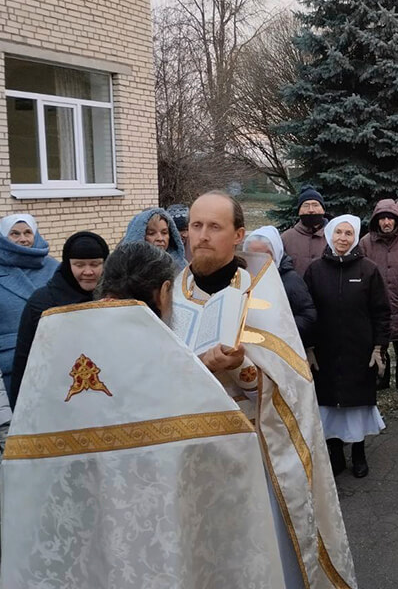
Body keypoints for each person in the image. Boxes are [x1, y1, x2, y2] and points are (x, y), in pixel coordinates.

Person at [1, 240, 288, 588]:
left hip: (72, 525)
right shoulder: (158, 346)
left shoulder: (56, 333)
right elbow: (228, 444)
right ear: (165, 292)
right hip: (154, 536)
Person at [174, 191, 357, 587]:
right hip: (192, 455)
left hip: (256, 453)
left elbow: (290, 379)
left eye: (215, 227)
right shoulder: (170, 294)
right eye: (196, 226)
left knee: (264, 553)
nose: (202, 235)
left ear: (238, 234)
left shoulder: (262, 291)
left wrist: (242, 367)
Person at [305, 215, 390, 478]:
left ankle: (359, 454)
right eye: (339, 233)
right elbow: (306, 312)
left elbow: (382, 312)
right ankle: (336, 455)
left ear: (355, 238)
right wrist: (308, 348)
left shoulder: (368, 269)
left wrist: (379, 348)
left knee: (356, 407)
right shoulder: (314, 270)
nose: (343, 238)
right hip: (325, 352)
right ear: (330, 235)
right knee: (329, 407)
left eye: (349, 234)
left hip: (359, 350)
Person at [8, 231, 109, 409]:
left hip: (105, 395)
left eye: (95, 264)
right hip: (57, 398)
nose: (88, 272)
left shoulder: (115, 299)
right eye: (79, 265)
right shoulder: (42, 302)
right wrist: (20, 411)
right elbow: (24, 359)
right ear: (67, 265)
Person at [359, 199, 398, 394]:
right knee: (380, 344)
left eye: (390, 218)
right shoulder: (366, 242)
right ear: (376, 221)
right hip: (376, 301)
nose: (386, 223)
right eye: (382, 219)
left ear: (396, 220)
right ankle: (383, 378)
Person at [0, 214, 57, 393]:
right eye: (15, 234)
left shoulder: (54, 267)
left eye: (27, 233)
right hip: (12, 363)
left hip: (54, 358)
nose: (23, 239)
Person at [244, 226, 317, 346]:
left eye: (264, 255)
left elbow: (308, 315)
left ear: (275, 254)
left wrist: (281, 329)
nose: (258, 260)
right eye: (253, 255)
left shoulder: (291, 280)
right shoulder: (244, 279)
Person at [281, 186, 329, 277]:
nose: (311, 210)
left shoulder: (334, 236)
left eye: (315, 205)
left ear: (323, 209)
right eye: (306, 205)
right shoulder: (286, 238)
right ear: (299, 211)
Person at [122, 208, 187, 270]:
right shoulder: (126, 268)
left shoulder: (180, 267)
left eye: (164, 233)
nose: (160, 238)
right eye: (151, 233)